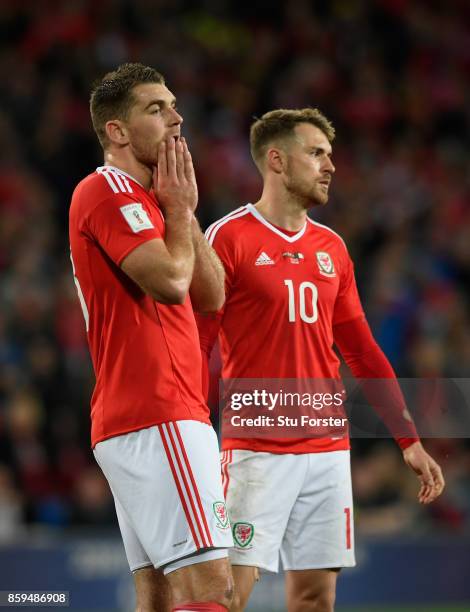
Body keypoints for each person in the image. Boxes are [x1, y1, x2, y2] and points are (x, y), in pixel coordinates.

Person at [196, 108, 445, 612]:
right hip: (256, 450)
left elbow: (362, 351)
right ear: (277, 160)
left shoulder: (332, 246)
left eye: (330, 154)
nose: (330, 165)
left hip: (327, 450)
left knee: (314, 599)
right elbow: (198, 347)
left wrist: (409, 440)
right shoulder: (228, 237)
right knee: (226, 597)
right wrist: (195, 436)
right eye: (316, 153)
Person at [69, 63, 234, 612]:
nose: (177, 118)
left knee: (160, 597)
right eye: (156, 108)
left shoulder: (153, 203)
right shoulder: (105, 189)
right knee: (211, 589)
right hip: (157, 412)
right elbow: (169, 283)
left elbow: (211, 296)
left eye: (174, 104)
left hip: (145, 418)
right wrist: (179, 210)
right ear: (117, 131)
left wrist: (180, 211)